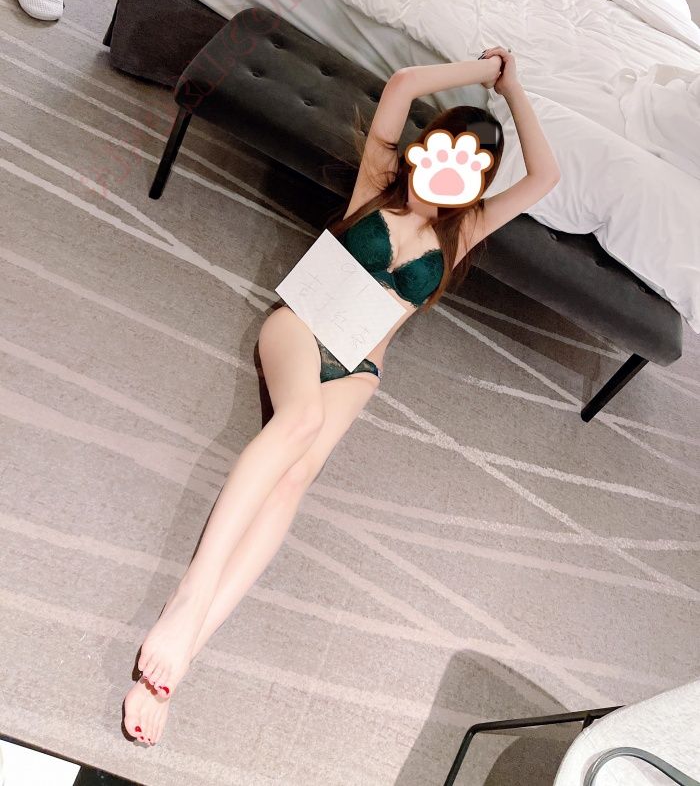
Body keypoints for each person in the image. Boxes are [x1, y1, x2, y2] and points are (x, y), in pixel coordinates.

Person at [122, 46, 561, 745]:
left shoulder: (464, 230)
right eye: (442, 152)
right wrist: (486, 74)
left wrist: (519, 91)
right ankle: (187, 601)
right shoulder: (378, 183)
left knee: (294, 481)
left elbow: (546, 176)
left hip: (359, 368)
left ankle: (183, 654)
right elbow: (403, 85)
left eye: (467, 168)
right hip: (300, 326)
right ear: (423, 149)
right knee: (297, 422)